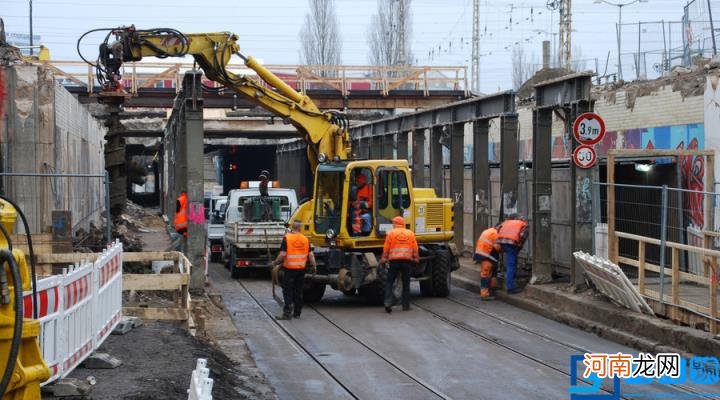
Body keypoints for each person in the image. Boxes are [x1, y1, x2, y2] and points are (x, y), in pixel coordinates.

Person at [273, 221, 317, 320]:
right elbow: (310, 255)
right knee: (298, 291)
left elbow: (283, 254)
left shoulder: (287, 238)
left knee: (288, 291)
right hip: (301, 269)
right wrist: (314, 265)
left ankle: (287, 313)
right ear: (300, 229)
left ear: (292, 228)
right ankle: (297, 313)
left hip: (289, 270)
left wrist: (275, 263)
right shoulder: (305, 239)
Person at [378, 216, 419, 313]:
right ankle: (406, 305)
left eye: (393, 223)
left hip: (394, 262)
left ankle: (388, 303)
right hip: (406, 262)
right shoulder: (410, 234)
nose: (392, 225)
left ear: (396, 224)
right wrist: (416, 259)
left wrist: (383, 260)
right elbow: (415, 248)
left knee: (389, 282)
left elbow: (386, 249)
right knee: (406, 284)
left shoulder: (391, 233)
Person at [496, 214, 529, 294]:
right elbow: (522, 236)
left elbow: (497, 229)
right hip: (512, 243)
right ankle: (510, 287)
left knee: (512, 261)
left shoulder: (507, 222)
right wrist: (519, 246)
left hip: (501, 241)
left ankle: (512, 277)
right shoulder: (524, 224)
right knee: (511, 263)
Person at [474, 225, 502, 300]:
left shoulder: (488, 231)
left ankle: (493, 287)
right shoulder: (495, 234)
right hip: (487, 255)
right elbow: (498, 248)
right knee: (485, 274)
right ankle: (484, 294)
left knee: (490, 272)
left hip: (481, 254)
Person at [350, 171, 372, 235]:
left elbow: (371, 203)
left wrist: (360, 204)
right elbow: (356, 200)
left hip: (367, 210)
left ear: (362, 181)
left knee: (356, 215)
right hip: (358, 209)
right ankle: (355, 232)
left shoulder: (369, 188)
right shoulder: (357, 190)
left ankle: (357, 232)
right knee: (352, 212)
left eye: (358, 181)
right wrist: (353, 203)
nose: (357, 183)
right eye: (356, 181)